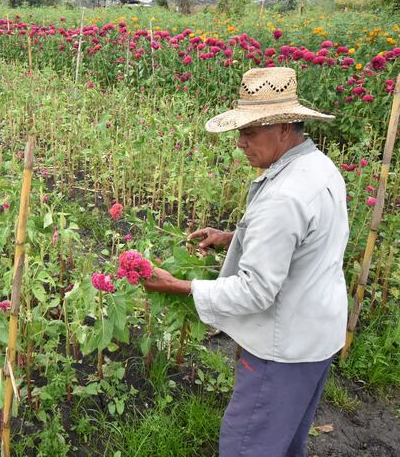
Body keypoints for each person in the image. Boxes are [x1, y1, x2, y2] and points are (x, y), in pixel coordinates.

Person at [143, 67, 349, 457]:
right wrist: (232, 238)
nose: (240, 143)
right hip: (317, 335)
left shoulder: (284, 196)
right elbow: (305, 240)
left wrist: (177, 286)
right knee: (285, 442)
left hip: (282, 348)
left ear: (285, 127)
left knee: (248, 445)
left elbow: (256, 291)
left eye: (249, 132)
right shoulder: (319, 168)